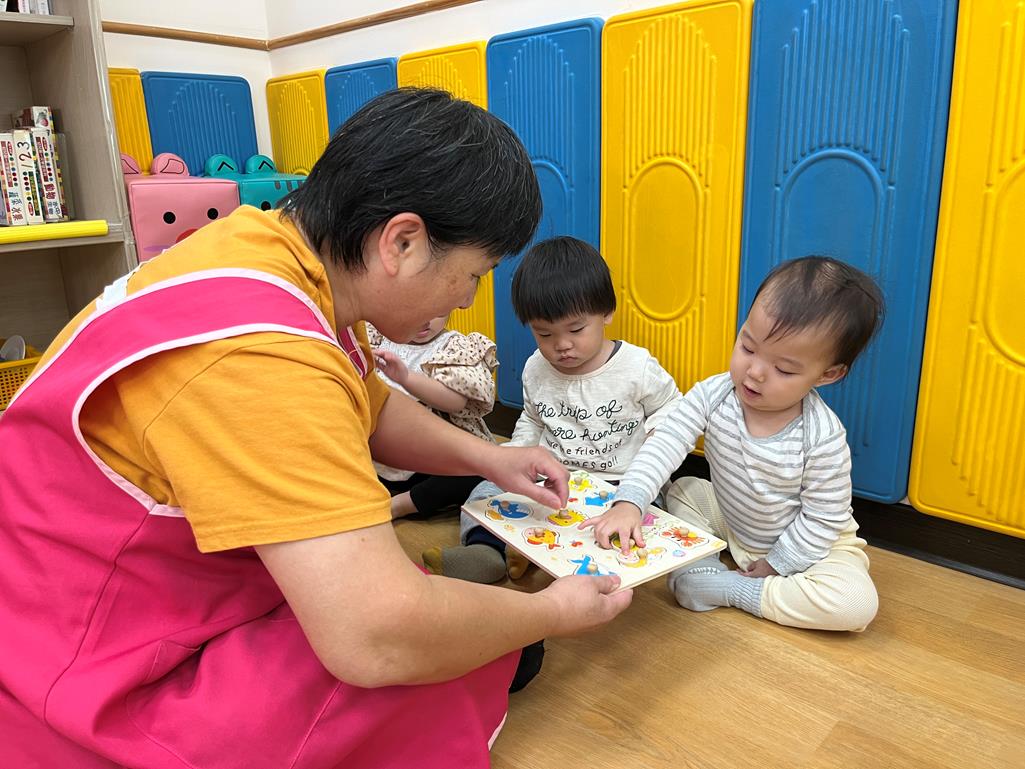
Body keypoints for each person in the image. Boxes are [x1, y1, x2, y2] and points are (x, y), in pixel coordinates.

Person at [0, 89, 633, 769]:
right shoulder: (261, 355)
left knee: (466, 632)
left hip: (129, 589)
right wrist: (554, 610)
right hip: (82, 658)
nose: (466, 298)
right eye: (473, 274)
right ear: (402, 242)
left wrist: (488, 457)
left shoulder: (273, 249)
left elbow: (369, 403)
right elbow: (376, 637)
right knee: (452, 658)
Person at [582, 256, 884, 632]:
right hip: (736, 521)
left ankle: (731, 588)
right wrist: (629, 502)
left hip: (810, 544)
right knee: (684, 490)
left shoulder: (822, 437)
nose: (754, 372)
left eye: (783, 369)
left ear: (828, 374)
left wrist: (778, 564)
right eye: (748, 346)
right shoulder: (715, 393)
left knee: (855, 604)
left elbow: (822, 519)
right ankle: (702, 570)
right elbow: (666, 441)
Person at [424, 236, 682, 584]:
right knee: (485, 492)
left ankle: (547, 557)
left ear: (607, 312)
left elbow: (673, 410)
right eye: (544, 334)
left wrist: (655, 441)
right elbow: (532, 418)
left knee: (649, 519)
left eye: (576, 329)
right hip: (555, 479)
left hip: (621, 484)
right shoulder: (536, 368)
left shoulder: (637, 367)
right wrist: (516, 456)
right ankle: (486, 552)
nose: (562, 345)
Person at [368, 313, 498, 519]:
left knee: (478, 470)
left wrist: (406, 378)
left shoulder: (454, 347)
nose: (424, 319)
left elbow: (456, 401)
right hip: (384, 457)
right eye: (413, 309)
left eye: (436, 311)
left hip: (432, 459)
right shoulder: (379, 338)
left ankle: (401, 504)